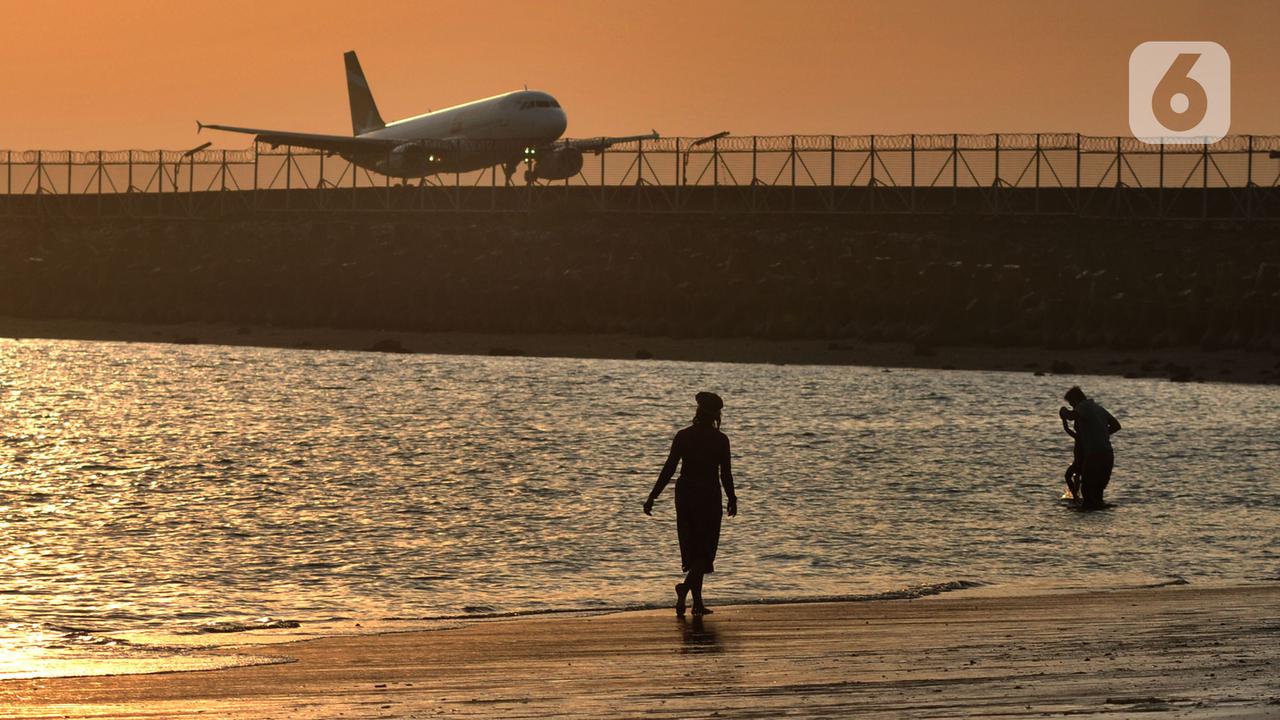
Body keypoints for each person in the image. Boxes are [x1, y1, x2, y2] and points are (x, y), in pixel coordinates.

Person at [643, 392, 737, 616]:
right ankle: (685, 589)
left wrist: (652, 496)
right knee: (705, 549)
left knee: (694, 547)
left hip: (685, 495)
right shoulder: (720, 439)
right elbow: (726, 474)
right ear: (715, 415)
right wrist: (732, 498)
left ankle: (697, 603)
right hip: (708, 495)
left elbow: (669, 469)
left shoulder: (683, 436)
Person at [1060, 386, 1121, 509]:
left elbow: (1071, 416)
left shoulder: (1083, 406)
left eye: (1072, 404)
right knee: (1098, 495)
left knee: (1087, 491)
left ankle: (1087, 525)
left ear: (1076, 399)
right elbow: (1116, 425)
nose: (1073, 406)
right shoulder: (1099, 409)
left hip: (1094, 455)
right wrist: (1100, 434)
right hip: (1108, 455)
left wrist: (1063, 411)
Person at [1059, 406, 1081, 501]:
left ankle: (1075, 496)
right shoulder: (1081, 437)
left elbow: (1067, 429)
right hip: (1081, 461)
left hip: (1079, 461)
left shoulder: (1078, 437)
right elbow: (1067, 429)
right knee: (1076, 476)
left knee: (1068, 476)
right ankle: (1076, 494)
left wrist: (1064, 419)